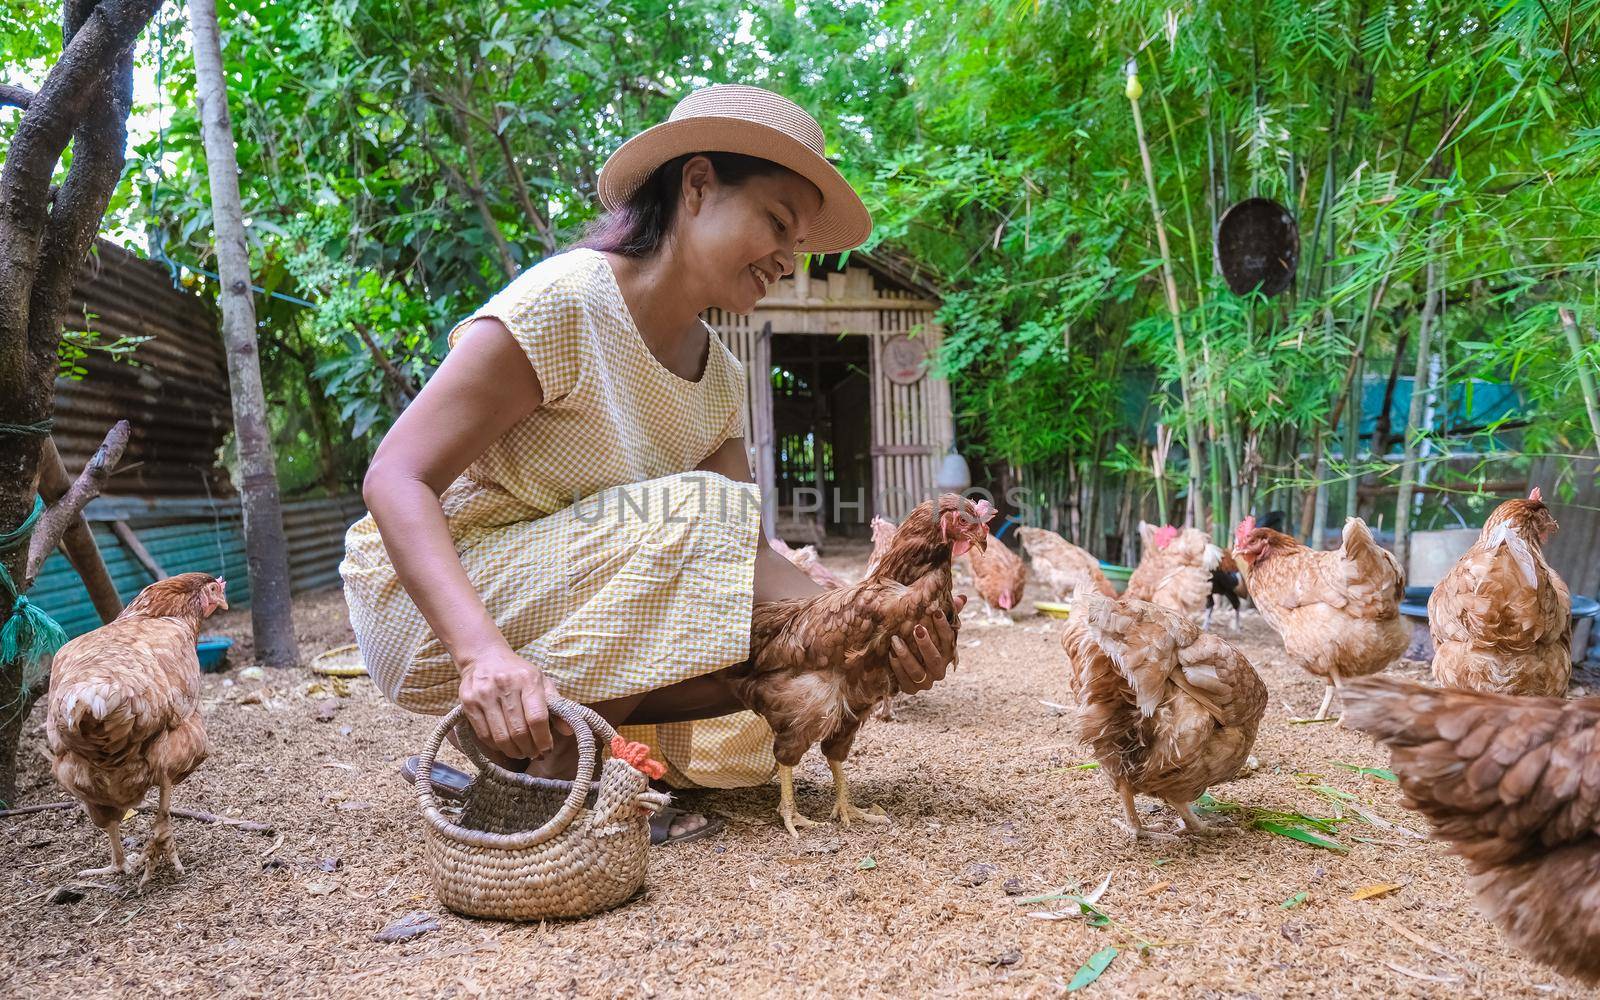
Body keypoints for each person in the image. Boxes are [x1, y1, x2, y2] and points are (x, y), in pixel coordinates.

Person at [341, 84, 963, 845]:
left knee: (779, 683)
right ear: (698, 185)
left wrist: (874, 637)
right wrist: (483, 655)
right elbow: (394, 479)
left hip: (562, 600)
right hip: (431, 600)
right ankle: (552, 775)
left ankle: (534, 753)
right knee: (707, 515)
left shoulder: (722, 377)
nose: (787, 257)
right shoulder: (567, 303)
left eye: (798, 242)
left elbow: (743, 570)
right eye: (775, 221)